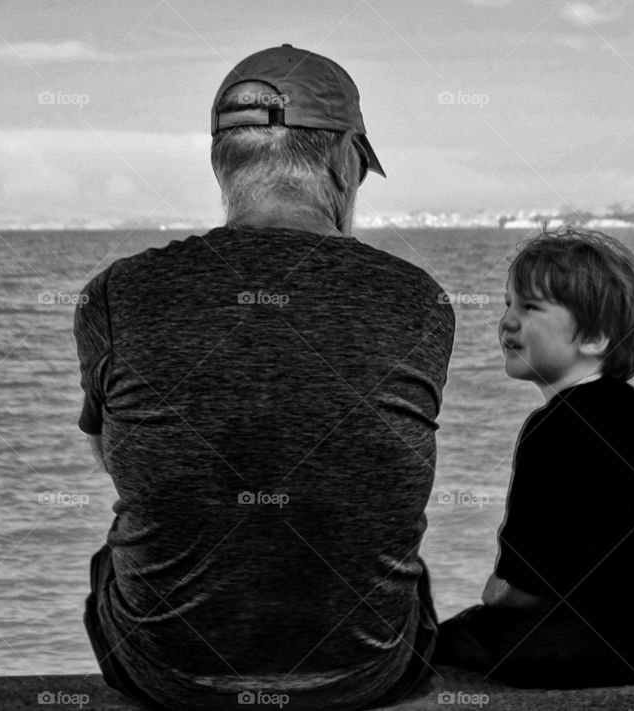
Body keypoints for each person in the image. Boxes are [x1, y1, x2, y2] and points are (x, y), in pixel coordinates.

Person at [75, 44, 455, 710]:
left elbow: (119, 459)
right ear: (344, 163)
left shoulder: (116, 294)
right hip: (364, 674)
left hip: (166, 674)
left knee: (115, 555)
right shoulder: (420, 300)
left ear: (223, 164)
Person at [433, 225, 634, 688]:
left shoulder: (554, 428)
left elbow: (529, 580)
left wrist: (497, 593)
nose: (507, 322)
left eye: (530, 307)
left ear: (596, 337)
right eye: (507, 304)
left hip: (577, 644)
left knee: (443, 638)